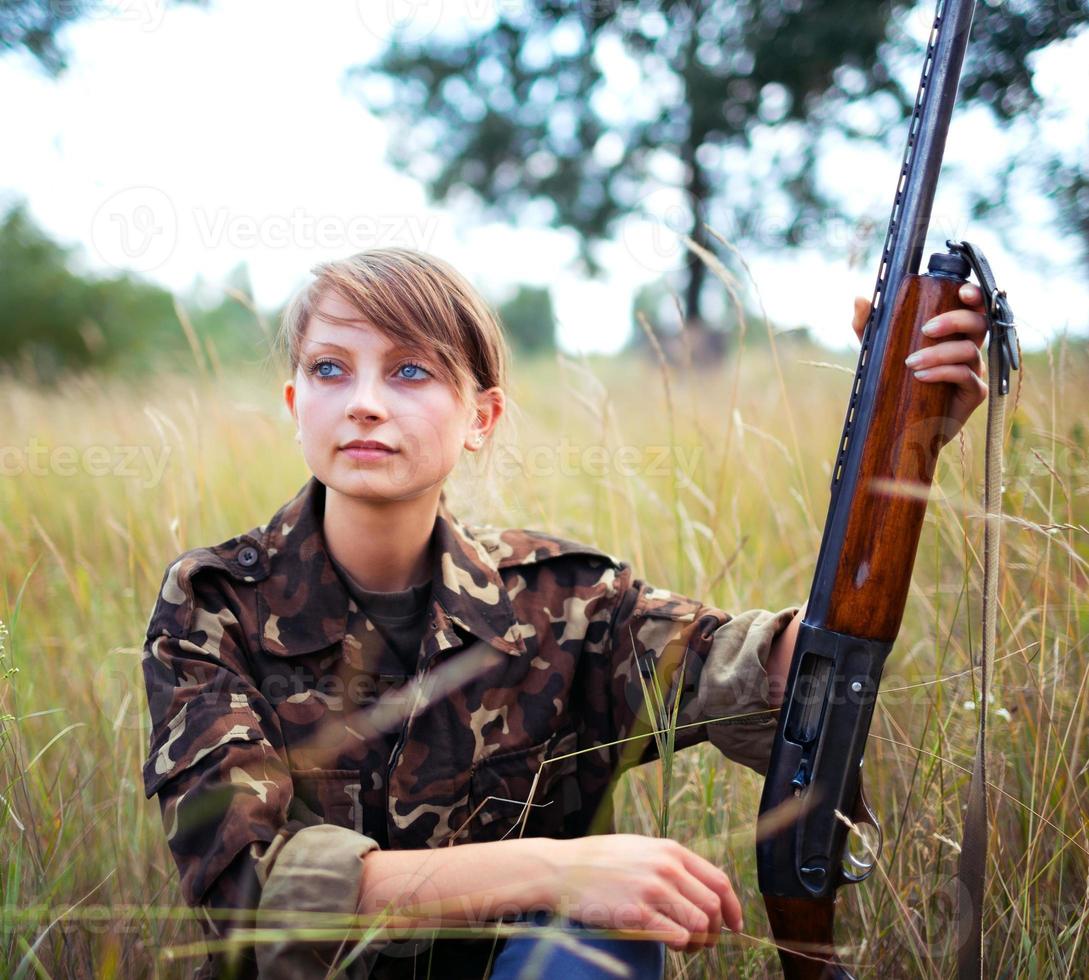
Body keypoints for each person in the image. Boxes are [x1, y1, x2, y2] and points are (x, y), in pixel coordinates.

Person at [139, 247, 990, 979]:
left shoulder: (565, 600)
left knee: (596, 941)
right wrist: (556, 868)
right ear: (296, 407)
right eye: (330, 368)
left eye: (409, 370)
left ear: (482, 417)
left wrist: (902, 440)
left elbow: (785, 675)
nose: (364, 400)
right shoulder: (213, 605)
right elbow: (252, 890)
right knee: (589, 903)